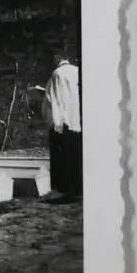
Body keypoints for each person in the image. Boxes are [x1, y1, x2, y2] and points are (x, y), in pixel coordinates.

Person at [41, 48, 82, 200]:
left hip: (62, 121)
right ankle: (78, 188)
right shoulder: (77, 71)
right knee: (76, 155)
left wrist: (54, 122)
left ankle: (65, 188)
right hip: (76, 120)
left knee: (62, 157)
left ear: (58, 57)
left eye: (52, 58)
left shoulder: (57, 74)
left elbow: (55, 100)